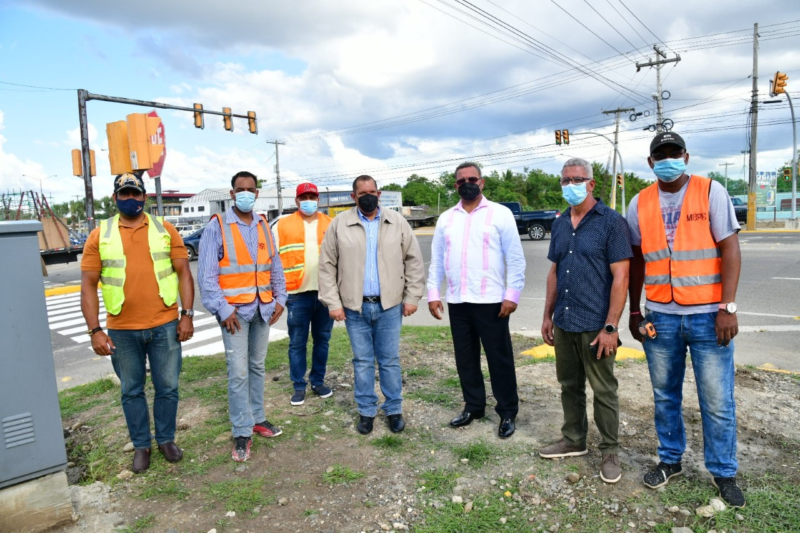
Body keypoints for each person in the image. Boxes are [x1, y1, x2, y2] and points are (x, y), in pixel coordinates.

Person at [627, 132, 745, 507]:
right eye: (659, 155)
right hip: (660, 316)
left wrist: (727, 308)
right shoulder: (639, 202)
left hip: (709, 317)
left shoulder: (711, 191)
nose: (667, 159)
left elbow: (730, 248)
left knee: (717, 400)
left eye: (673, 152)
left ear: (686, 156)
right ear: (650, 163)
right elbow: (636, 261)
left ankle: (724, 473)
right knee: (665, 396)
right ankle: (670, 460)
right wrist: (634, 311)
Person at [80, 172, 194, 474]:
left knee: (167, 386)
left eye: (136, 193)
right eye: (125, 194)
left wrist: (187, 314)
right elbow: (88, 284)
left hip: (165, 325)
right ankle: (141, 444)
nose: (131, 199)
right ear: (115, 198)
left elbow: (184, 273)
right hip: (121, 330)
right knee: (131, 390)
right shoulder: (99, 234)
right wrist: (95, 330)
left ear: (144, 196)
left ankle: (166, 439)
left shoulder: (164, 229)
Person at [538, 158, 632, 483]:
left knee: (604, 389)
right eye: (565, 180)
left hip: (596, 325)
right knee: (569, 386)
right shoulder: (561, 223)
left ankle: (609, 451)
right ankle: (574, 440)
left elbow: (622, 278)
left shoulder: (611, 223)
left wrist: (611, 327)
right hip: (564, 320)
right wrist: (548, 315)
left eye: (577, 179)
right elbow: (554, 271)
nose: (570, 185)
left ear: (591, 184)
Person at [319, 175, 425, 435]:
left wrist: (412, 297)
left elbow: (413, 260)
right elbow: (326, 265)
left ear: (379, 194)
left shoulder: (396, 221)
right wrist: (333, 303)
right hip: (355, 308)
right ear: (354, 197)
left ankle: (393, 409)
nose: (368, 196)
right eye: (362, 193)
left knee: (389, 360)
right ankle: (366, 411)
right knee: (363, 361)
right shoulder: (339, 224)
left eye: (373, 191)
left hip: (389, 306)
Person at [427, 162, 525, 439]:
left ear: (482, 182)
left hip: (492, 301)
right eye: (461, 180)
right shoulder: (446, 218)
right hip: (458, 300)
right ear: (455, 185)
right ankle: (474, 406)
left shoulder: (500, 214)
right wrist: (433, 293)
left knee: (499, 359)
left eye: (472, 179)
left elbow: (515, 258)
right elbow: (437, 261)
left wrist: (512, 294)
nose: (466, 183)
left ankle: (507, 412)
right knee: (465, 359)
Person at [199, 171, 287, 463]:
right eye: (241, 189)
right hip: (234, 314)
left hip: (262, 308)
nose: (246, 193)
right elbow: (207, 277)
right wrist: (223, 309)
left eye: (251, 189)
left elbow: (274, 266)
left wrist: (280, 299)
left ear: (257, 192)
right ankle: (241, 431)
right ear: (232, 193)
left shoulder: (263, 224)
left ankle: (257, 418)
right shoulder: (218, 226)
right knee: (237, 373)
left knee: (257, 367)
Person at [273, 183, 334, 406]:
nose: (309, 200)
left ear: (317, 199)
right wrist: (277, 294)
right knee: (297, 342)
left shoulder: (330, 223)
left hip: (325, 294)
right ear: (297, 201)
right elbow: (273, 260)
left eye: (312, 196)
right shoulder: (282, 224)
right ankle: (299, 386)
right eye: (304, 197)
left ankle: (317, 381)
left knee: (322, 340)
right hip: (296, 294)